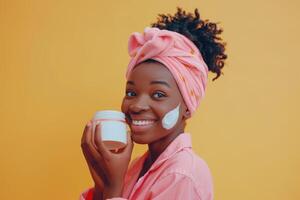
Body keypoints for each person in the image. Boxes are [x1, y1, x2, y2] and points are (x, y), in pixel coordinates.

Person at [80, 7, 227, 200]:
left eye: (158, 94)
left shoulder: (182, 175)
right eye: (131, 92)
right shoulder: (137, 167)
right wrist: (102, 184)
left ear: (187, 107)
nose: (136, 106)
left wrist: (114, 187)